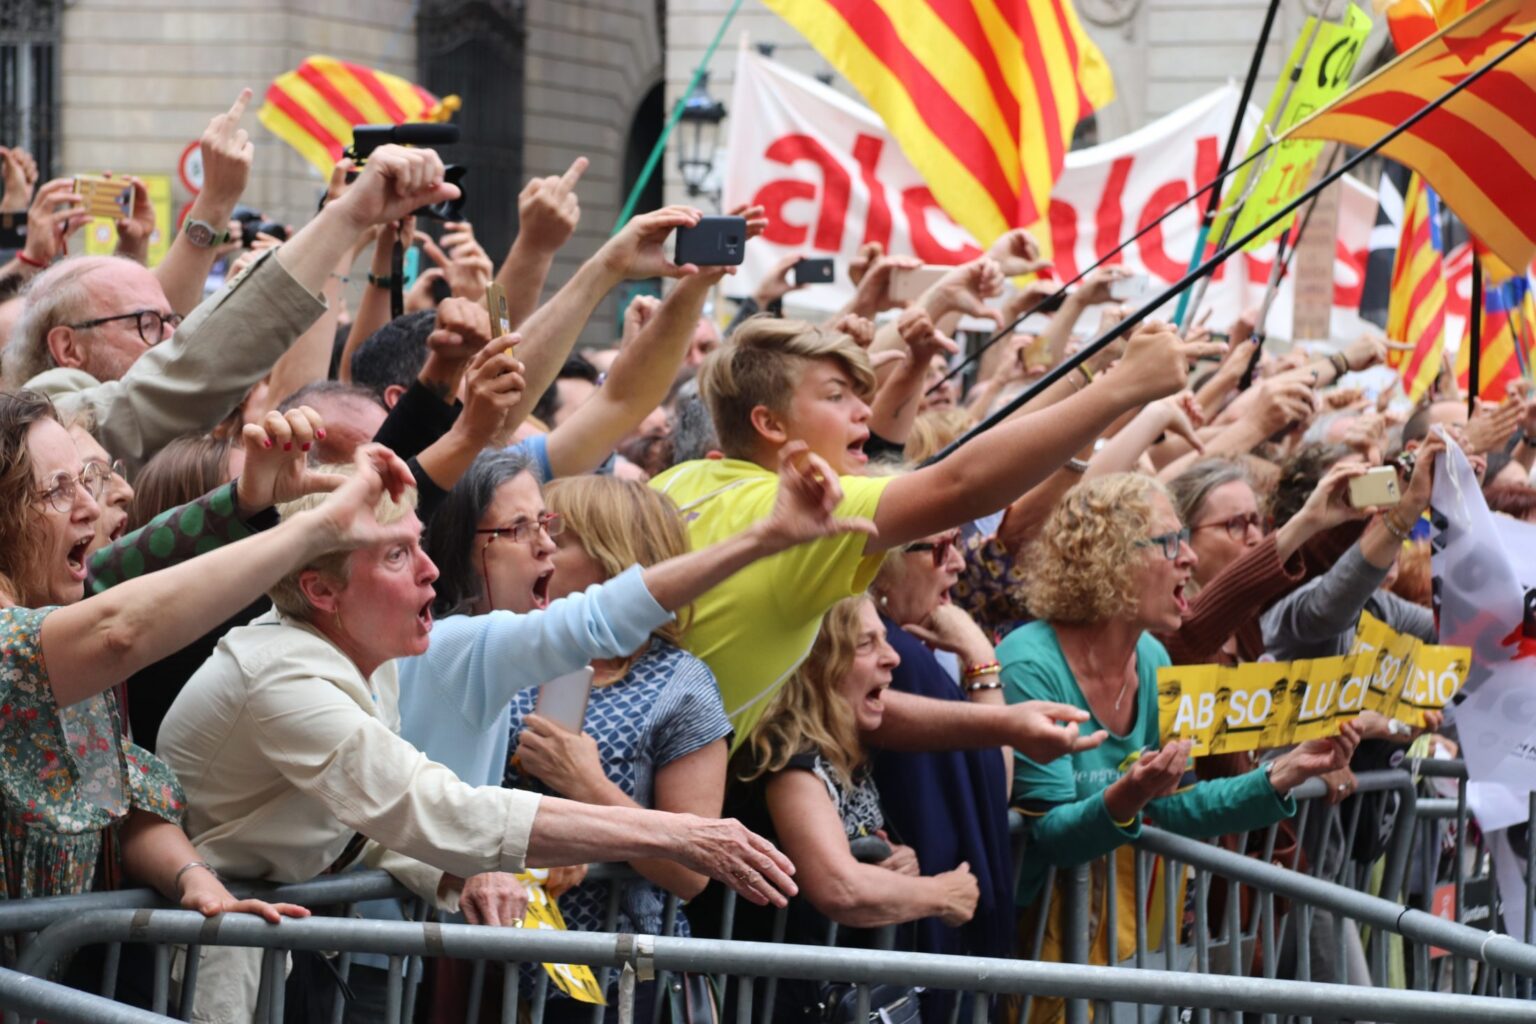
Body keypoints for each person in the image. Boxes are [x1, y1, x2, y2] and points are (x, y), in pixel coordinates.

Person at [157, 441, 870, 1022]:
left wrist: (457, 867)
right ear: (321, 590)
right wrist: (673, 833)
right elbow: (433, 805)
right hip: (208, 959)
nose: (433, 569)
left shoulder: (365, 650)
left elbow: (369, 824)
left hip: (280, 948)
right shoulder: (289, 676)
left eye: (419, 542)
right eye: (398, 555)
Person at [651, 309, 1221, 761]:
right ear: (769, 424)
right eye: (835, 397)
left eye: (859, 392)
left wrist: (1000, 722)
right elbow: (962, 482)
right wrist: (1121, 389)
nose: (862, 413)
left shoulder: (683, 479)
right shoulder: (804, 511)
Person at [0, 387, 422, 930]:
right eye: (57, 490)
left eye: (86, 480)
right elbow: (119, 630)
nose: (90, 505)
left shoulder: (56, 606)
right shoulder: (35, 640)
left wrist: (194, 877)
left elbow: (122, 805)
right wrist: (314, 529)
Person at [999, 473, 1360, 1024]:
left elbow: (1173, 810)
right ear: (1110, 559)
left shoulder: (1152, 658)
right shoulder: (1029, 662)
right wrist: (1126, 799)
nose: (1188, 557)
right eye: (1169, 542)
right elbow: (1047, 839)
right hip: (1033, 961)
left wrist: (1280, 776)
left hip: (1132, 949)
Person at [5, 144, 459, 473]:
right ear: (67, 347)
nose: (170, 338)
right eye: (145, 324)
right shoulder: (49, 414)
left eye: (173, 323)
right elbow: (178, 378)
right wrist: (346, 217)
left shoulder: (192, 464)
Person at [728, 595, 980, 1022]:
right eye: (865, 644)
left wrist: (895, 865)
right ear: (814, 664)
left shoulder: (842, 751)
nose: (893, 657)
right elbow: (839, 888)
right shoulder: (789, 761)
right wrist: (942, 894)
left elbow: (850, 859)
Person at [867, 534, 1015, 1020]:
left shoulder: (908, 647)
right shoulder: (896, 654)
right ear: (881, 567)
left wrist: (975, 653)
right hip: (916, 925)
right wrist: (979, 656)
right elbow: (996, 778)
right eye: (937, 547)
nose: (956, 562)